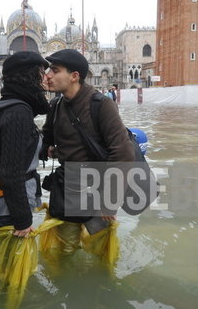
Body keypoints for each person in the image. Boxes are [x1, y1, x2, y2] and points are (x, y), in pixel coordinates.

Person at [41, 49, 135, 257]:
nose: (47, 74)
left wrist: (110, 201)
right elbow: (46, 138)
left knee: (99, 254)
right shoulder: (55, 105)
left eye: (55, 70)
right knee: (63, 252)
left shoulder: (102, 105)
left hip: (97, 193)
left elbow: (123, 154)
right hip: (67, 190)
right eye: (48, 70)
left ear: (74, 76)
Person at [0, 51, 50, 237]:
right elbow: (10, 174)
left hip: (6, 204)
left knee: (5, 263)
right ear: (29, 76)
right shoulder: (18, 112)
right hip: (10, 209)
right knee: (15, 265)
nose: (46, 78)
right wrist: (22, 221)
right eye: (41, 73)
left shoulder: (10, 106)